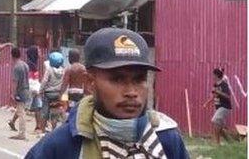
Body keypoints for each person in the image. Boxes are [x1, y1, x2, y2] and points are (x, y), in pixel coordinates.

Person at [26, 28, 189, 159]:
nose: (131, 92)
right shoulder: (61, 146)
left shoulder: (167, 138)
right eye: (117, 79)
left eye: (139, 79)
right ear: (90, 83)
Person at [205, 67, 234, 145]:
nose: (212, 76)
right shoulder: (215, 84)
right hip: (218, 107)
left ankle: (217, 143)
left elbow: (228, 96)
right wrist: (207, 103)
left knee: (214, 121)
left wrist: (218, 91)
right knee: (219, 126)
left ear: (217, 75)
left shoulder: (224, 84)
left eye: (213, 74)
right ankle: (231, 142)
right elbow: (214, 95)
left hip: (225, 106)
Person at [41, 51, 66, 132]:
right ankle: (53, 130)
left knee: (45, 112)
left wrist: (40, 90)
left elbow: (44, 81)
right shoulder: (63, 71)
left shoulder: (49, 70)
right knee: (55, 113)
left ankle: (42, 131)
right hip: (58, 94)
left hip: (48, 94)